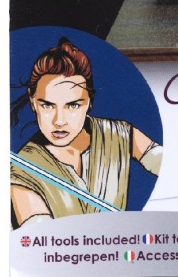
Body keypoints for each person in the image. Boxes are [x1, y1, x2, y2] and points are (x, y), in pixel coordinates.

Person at [10, 38, 161, 227]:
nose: (59, 121)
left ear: (89, 101)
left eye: (73, 105)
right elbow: (40, 234)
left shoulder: (119, 134)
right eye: (47, 105)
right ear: (32, 101)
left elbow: (171, 165)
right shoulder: (22, 169)